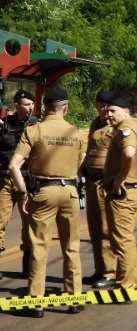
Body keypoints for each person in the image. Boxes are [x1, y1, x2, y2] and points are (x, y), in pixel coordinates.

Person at [9, 87, 84, 317]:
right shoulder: (75, 132)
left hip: (43, 192)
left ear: (44, 108)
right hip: (70, 192)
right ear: (66, 108)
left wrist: (23, 194)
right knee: (71, 247)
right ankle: (74, 299)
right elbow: (79, 166)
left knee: (39, 247)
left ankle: (36, 302)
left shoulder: (35, 130)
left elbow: (14, 165)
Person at [101, 93, 137, 296]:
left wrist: (121, 176)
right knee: (122, 239)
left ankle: (126, 287)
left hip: (123, 193)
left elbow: (128, 153)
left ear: (126, 112)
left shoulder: (127, 130)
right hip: (124, 192)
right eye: (107, 110)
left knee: (122, 240)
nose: (108, 114)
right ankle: (124, 280)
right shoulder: (122, 129)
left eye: (113, 110)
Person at [78, 90, 117, 289]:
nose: (104, 110)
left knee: (105, 229)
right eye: (100, 106)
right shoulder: (95, 124)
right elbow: (91, 150)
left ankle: (111, 272)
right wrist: (82, 167)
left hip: (106, 182)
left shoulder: (116, 127)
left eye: (107, 107)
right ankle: (99, 270)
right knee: (94, 229)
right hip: (91, 181)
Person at [0, 90, 39, 280]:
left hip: (26, 179)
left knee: (28, 223)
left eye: (32, 104)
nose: (30, 107)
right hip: (5, 179)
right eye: (26, 104)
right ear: (16, 105)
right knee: (0, 222)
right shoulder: (4, 124)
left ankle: (28, 263)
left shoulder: (37, 125)